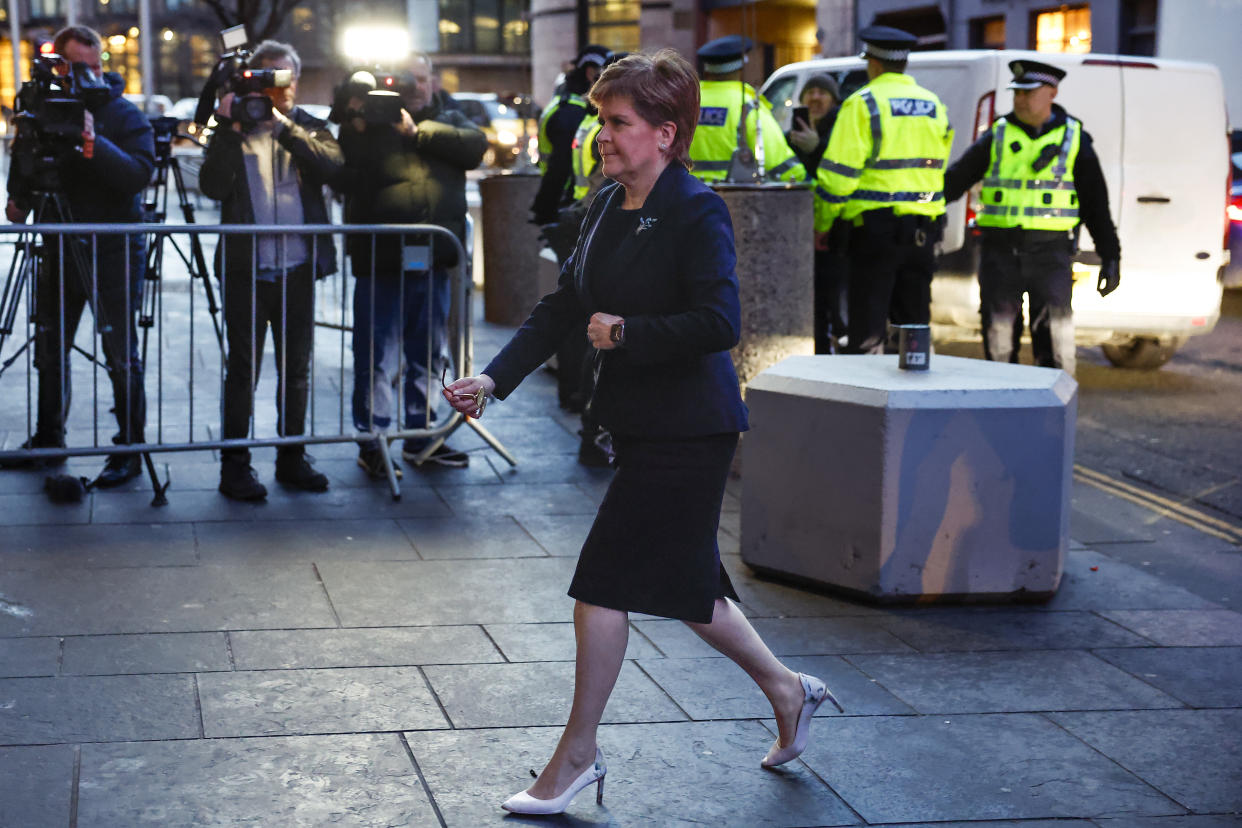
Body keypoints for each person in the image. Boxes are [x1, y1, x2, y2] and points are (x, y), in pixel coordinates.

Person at [441, 50, 843, 815]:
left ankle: (576, 759)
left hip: (692, 429)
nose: (602, 135)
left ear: (665, 133)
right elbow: (563, 308)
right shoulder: (602, 205)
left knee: (601, 588)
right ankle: (790, 691)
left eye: (618, 122)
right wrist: (495, 378)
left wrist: (627, 333)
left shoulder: (696, 208)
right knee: (695, 597)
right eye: (599, 119)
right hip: (641, 425)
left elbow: (719, 322)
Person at [2, 25, 154, 486]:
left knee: (119, 351)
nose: (85, 77)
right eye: (74, 67)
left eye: (94, 67)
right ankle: (49, 439)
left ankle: (129, 447)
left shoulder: (124, 114)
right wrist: (20, 192)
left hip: (113, 248)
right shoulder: (41, 111)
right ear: (58, 66)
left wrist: (91, 140)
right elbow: (21, 185)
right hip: (58, 245)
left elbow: (137, 175)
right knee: (50, 348)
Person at [199, 40, 342, 501]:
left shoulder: (306, 126)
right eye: (265, 76)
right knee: (242, 370)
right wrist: (224, 126)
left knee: (296, 369)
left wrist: (281, 127)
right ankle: (235, 466)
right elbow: (212, 186)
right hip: (246, 269)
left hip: (297, 268)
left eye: (282, 76)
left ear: (295, 82)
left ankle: (292, 457)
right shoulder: (233, 130)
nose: (273, 86)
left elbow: (334, 167)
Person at [336, 52, 487, 474]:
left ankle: (421, 437)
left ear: (433, 80)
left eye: (422, 77)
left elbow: (474, 147)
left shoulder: (449, 116)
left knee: (428, 355)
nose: (416, 86)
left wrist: (416, 131)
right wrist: (360, 108)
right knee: (376, 357)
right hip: (380, 261)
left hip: (434, 260)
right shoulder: (367, 120)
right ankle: (375, 440)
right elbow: (342, 148)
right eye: (408, 79)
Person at [945, 60, 1120, 375]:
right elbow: (953, 182)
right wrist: (915, 204)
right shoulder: (997, 135)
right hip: (999, 252)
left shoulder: (1074, 139)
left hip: (1050, 254)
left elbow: (1096, 205)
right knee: (999, 342)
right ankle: (1004, 408)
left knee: (1055, 340)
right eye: (1017, 93)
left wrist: (1111, 256)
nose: (1020, 99)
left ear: (1052, 93)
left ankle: (1052, 415)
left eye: (1029, 92)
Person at [813, 25, 952, 355]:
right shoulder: (934, 105)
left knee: (868, 331)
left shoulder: (862, 105)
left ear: (873, 64)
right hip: (923, 233)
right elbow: (939, 166)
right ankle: (917, 395)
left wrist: (823, 223)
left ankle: (869, 402)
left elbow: (838, 177)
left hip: (873, 235)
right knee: (914, 327)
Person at [689, 35, 804, 184]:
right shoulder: (747, 104)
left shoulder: (686, 101)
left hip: (684, 196)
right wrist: (801, 176)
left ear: (708, 69)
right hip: (732, 197)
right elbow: (780, 164)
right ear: (740, 67)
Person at [786, 73, 847, 353]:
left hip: (835, 226)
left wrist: (817, 148)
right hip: (801, 226)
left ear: (834, 99)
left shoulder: (842, 127)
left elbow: (840, 172)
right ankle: (820, 345)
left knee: (834, 295)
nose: (815, 97)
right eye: (810, 92)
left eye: (823, 92)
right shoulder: (791, 136)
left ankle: (835, 341)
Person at [531, 45, 609, 225]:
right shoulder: (573, 113)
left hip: (574, 205)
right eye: (604, 75)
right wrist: (550, 213)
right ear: (591, 74)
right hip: (571, 206)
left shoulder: (567, 104)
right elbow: (560, 165)